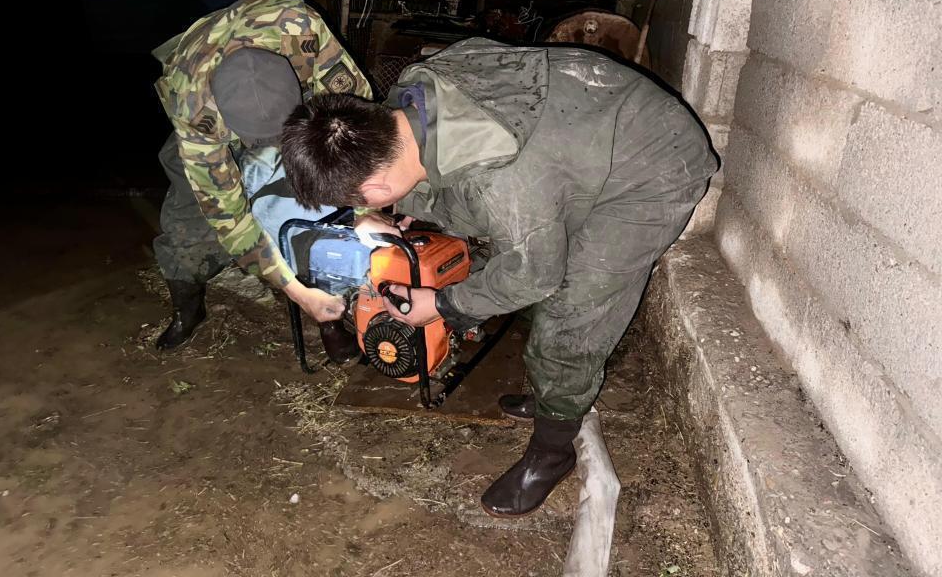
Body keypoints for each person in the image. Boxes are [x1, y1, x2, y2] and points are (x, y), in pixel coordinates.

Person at [279, 38, 718, 518]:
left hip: (653, 166)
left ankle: (552, 451)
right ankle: (551, 390)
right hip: (588, 125)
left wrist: (443, 305)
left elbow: (533, 274)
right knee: (496, 234)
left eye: (363, 200)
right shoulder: (410, 97)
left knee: (571, 311)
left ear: (375, 186)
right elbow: (450, 185)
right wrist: (394, 209)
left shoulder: (501, 181)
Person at [151, 0, 372, 352]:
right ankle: (187, 308)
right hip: (203, 97)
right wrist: (294, 291)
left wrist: (365, 211)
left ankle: (333, 305)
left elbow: (361, 133)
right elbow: (230, 220)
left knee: (314, 188)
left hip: (291, 78)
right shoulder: (193, 109)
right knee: (187, 217)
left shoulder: (302, 31)